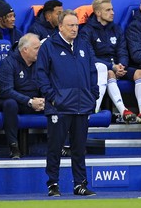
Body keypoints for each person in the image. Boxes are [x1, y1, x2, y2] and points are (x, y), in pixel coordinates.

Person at [37, 10, 98, 197]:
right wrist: (52, 97)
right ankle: (53, 184)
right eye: (71, 25)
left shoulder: (84, 45)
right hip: (59, 107)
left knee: (79, 148)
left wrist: (93, 94)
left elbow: (92, 71)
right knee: (55, 147)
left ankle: (80, 184)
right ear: (60, 26)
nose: (74, 29)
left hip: (82, 105)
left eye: (77, 25)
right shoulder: (48, 46)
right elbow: (41, 75)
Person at [81, 0, 141, 123]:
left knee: (140, 72)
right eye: (108, 10)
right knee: (109, 73)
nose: (113, 12)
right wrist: (111, 66)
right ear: (98, 13)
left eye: (112, 9)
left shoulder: (117, 29)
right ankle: (123, 111)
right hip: (103, 70)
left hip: (119, 67)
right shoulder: (87, 31)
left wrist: (122, 65)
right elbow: (91, 57)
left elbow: (122, 50)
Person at [0, 33, 44, 159]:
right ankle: (14, 147)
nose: (40, 51)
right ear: (25, 50)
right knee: (10, 104)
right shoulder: (9, 63)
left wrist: (44, 100)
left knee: (57, 101)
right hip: (14, 102)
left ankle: (60, 147)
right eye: (36, 48)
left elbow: (46, 84)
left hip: (34, 102)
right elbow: (7, 91)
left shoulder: (40, 63)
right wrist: (29, 101)